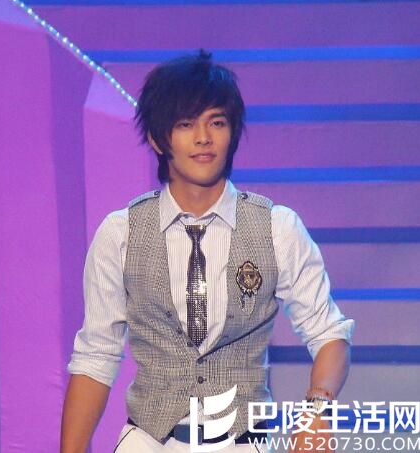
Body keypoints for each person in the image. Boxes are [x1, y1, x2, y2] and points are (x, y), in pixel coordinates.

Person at [60, 50, 354, 453]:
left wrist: (316, 412)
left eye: (216, 122)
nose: (203, 138)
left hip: (241, 440)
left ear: (232, 132)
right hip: (147, 440)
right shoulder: (121, 233)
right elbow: (96, 356)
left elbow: (330, 334)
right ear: (157, 138)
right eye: (185, 124)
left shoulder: (277, 228)